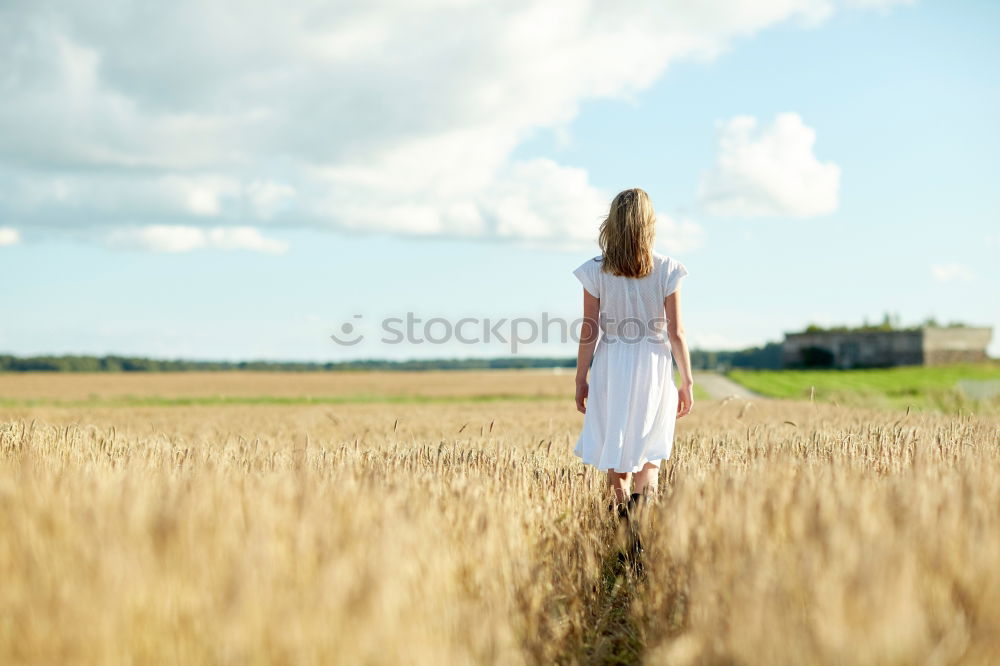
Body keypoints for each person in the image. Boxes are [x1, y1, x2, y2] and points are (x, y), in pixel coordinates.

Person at [572, 187, 694, 518]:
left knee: (617, 453)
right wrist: (687, 382)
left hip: (611, 363)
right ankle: (638, 530)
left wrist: (581, 378)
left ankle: (624, 535)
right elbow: (676, 332)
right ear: (649, 224)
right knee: (649, 456)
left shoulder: (594, 270)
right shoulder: (668, 269)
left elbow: (589, 330)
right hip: (653, 364)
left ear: (611, 223)